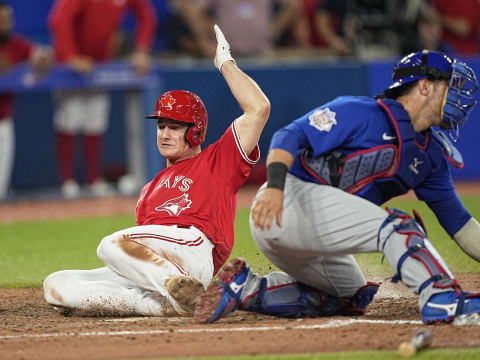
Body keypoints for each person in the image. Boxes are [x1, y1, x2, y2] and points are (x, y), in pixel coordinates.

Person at [194, 50, 480, 325]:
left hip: (315, 233)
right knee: (398, 228)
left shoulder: (429, 156)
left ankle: (245, 288)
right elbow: (290, 135)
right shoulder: (362, 112)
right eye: (450, 84)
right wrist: (275, 187)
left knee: (349, 295)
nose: (458, 94)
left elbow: (462, 227)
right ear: (426, 86)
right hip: (285, 204)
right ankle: (443, 299)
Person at [42, 25, 270, 317]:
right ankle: (169, 304)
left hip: (193, 249)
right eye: (161, 126)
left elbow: (259, 109)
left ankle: (177, 287)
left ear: (196, 131)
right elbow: (142, 249)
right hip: (157, 265)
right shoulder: (148, 190)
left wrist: (225, 63)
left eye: (174, 127)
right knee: (57, 285)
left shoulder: (217, 161)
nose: (164, 133)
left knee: (112, 244)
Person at [48, 0, 157, 199]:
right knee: (70, 120)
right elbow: (58, 19)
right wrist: (70, 56)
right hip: (70, 67)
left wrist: (142, 50)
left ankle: (93, 180)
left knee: (95, 121)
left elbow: (147, 16)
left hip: (101, 64)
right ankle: (67, 182)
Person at [0, 1, 50, 200]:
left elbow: (42, 55)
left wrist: (42, 59)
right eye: (1, 20)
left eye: (8, 19)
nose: (5, 24)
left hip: (3, 122)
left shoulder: (15, 43)